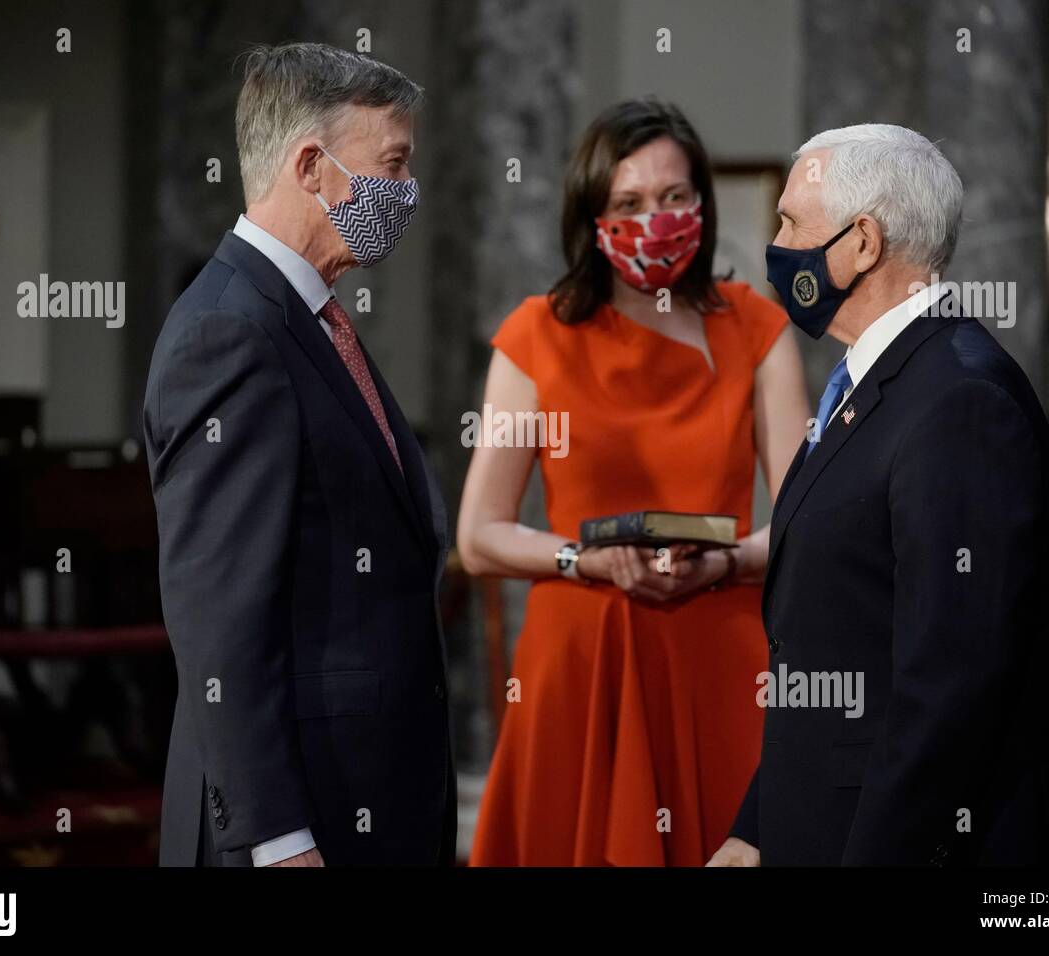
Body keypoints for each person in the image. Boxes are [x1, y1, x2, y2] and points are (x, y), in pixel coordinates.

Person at [708, 124, 1049, 867]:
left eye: (790, 223)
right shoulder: (872, 380)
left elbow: (949, 687)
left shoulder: (960, 399)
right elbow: (832, 641)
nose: (776, 245)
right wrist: (760, 821)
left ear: (862, 243)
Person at [459, 99, 810, 866]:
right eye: (628, 203)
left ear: (703, 205)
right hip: (581, 661)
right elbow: (479, 535)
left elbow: (804, 518)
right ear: (592, 215)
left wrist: (727, 562)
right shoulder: (535, 335)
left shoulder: (757, 327)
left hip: (719, 650)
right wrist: (577, 560)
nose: (656, 217)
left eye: (674, 197)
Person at [143, 42, 455, 867]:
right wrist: (276, 839)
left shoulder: (305, 318)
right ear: (312, 167)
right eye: (393, 165)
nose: (407, 192)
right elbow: (219, 618)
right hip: (297, 826)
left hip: (364, 799)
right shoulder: (230, 333)